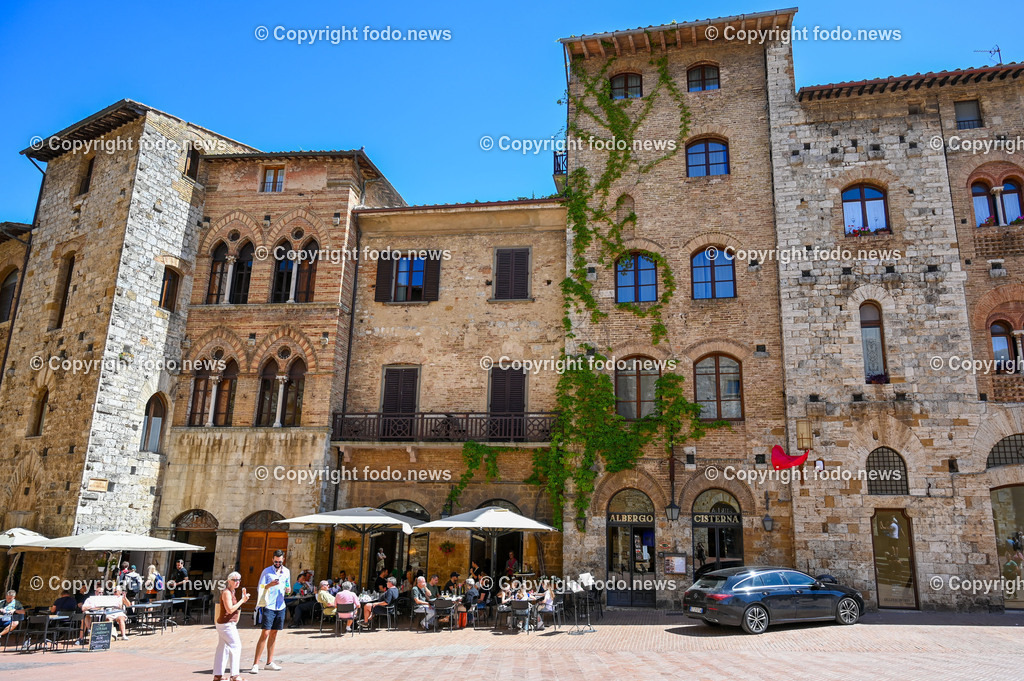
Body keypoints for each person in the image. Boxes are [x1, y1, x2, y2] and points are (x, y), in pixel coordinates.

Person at [251, 549, 290, 675]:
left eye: (280, 561)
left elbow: (287, 587)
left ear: (283, 560)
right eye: (276, 561)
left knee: (274, 633)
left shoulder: (287, 572)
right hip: (269, 605)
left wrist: (288, 589)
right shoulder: (266, 571)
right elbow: (260, 588)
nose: (278, 563)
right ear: (272, 559)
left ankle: (269, 662)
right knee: (265, 633)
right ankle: (255, 664)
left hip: (280, 605)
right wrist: (269, 585)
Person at [213, 571, 249, 681]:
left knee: (222, 648)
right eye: (235, 580)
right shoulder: (227, 593)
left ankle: (218, 675)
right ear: (229, 581)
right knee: (236, 646)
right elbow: (229, 609)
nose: (237, 582)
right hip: (226, 624)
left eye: (239, 580)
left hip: (225, 624)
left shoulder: (232, 592)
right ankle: (235, 675)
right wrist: (242, 601)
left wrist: (242, 600)